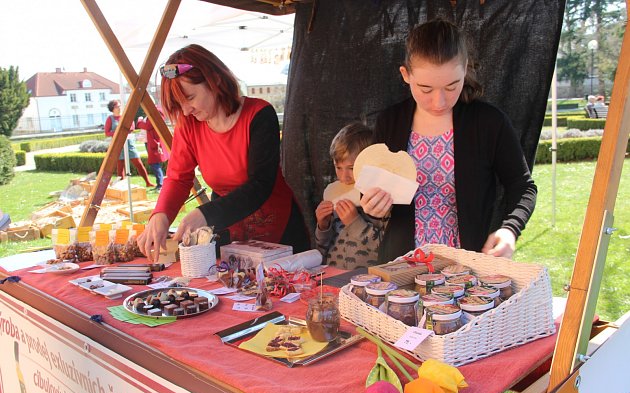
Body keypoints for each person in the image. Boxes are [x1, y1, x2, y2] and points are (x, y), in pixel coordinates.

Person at [360, 18, 537, 263]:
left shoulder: (489, 122)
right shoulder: (390, 122)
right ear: (405, 75)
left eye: (452, 86)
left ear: (465, 69)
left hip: (469, 267)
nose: (439, 102)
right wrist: (374, 207)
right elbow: (375, 191)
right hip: (402, 267)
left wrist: (510, 229)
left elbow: (523, 186)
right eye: (425, 89)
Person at [137, 44, 310, 261]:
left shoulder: (259, 114)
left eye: (190, 98)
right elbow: (178, 178)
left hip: (280, 228)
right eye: (179, 104)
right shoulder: (188, 124)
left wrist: (206, 213)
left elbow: (260, 185)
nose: (186, 110)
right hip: (229, 230)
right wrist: (160, 215)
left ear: (214, 80)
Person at [315, 122, 382, 269]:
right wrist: (323, 225)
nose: (344, 177)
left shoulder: (380, 200)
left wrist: (355, 222)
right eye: (338, 167)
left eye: (351, 168)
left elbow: (385, 248)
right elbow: (321, 248)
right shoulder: (334, 193)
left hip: (368, 281)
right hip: (334, 276)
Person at [104, 100, 155, 188]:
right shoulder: (110, 119)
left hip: (128, 142)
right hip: (118, 144)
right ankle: (122, 185)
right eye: (117, 106)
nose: (119, 108)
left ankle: (147, 182)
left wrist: (125, 131)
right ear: (113, 109)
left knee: (138, 163)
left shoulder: (126, 116)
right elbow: (107, 132)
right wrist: (117, 133)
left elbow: (132, 127)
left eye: (119, 106)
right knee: (120, 166)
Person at [136, 108, 170, 192]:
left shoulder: (157, 111)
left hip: (155, 142)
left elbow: (148, 126)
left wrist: (139, 121)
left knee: (155, 164)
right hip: (152, 142)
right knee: (155, 164)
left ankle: (161, 185)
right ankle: (160, 184)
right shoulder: (152, 112)